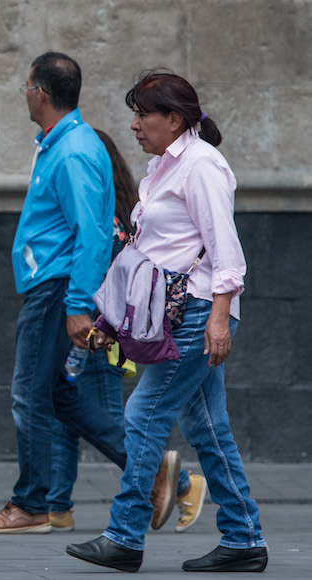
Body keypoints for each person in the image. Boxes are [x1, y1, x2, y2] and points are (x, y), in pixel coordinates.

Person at [0, 52, 179, 534]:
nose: (25, 95)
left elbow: (92, 233)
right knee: (57, 395)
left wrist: (78, 304)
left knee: (28, 394)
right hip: (55, 284)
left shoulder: (74, 150)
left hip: (57, 286)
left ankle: (31, 505)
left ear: (41, 93)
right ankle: (150, 469)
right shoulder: (65, 144)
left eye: (26, 88)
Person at [67, 70, 268, 573]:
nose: (134, 125)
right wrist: (111, 318)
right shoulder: (163, 166)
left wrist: (218, 319)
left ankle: (124, 536)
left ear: (174, 119)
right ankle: (244, 538)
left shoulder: (201, 165)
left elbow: (227, 252)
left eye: (142, 115)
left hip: (198, 312)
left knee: (143, 414)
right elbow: (151, 250)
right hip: (176, 312)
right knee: (208, 427)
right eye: (134, 114)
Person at [46, 130, 201, 534]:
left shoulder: (108, 225)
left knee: (110, 422)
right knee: (66, 411)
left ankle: (182, 484)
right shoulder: (116, 214)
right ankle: (56, 504)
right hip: (87, 333)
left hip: (99, 336)